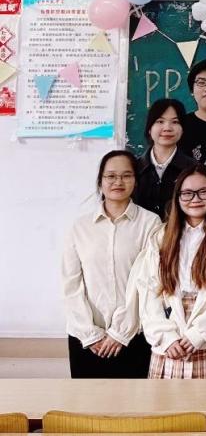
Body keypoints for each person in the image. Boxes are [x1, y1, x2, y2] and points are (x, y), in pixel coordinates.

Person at [139, 164, 206, 379]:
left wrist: (199, 334)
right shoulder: (161, 236)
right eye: (187, 193)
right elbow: (149, 289)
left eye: (203, 191)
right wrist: (165, 336)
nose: (195, 199)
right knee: (167, 401)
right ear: (177, 197)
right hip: (171, 334)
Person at [62, 151, 161, 378]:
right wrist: (89, 334)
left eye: (126, 175)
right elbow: (71, 285)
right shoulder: (80, 227)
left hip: (134, 334)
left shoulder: (150, 223)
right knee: (87, 399)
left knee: (133, 400)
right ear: (100, 181)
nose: (118, 182)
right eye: (111, 176)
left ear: (135, 181)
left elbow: (148, 282)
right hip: (86, 338)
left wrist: (120, 332)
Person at [134, 98, 192, 219]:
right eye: (160, 121)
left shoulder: (193, 169)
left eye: (175, 122)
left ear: (182, 129)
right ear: (149, 128)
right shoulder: (134, 168)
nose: (167, 128)